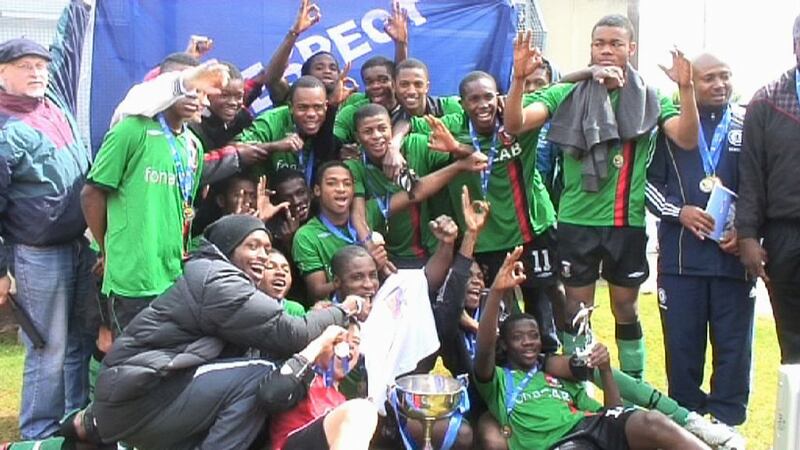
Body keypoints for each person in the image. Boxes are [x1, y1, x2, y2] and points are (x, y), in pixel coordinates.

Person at [63, 214, 367, 449]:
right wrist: (344, 309)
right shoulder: (217, 282)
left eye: (267, 248)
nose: (263, 255)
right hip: (143, 397)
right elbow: (293, 333)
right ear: (228, 249)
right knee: (259, 375)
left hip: (149, 396)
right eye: (252, 246)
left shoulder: (222, 280)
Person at [504, 18, 699, 380]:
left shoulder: (648, 96)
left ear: (631, 49)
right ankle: (582, 386)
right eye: (599, 43)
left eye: (615, 43)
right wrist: (518, 80)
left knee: (626, 308)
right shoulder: (567, 92)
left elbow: (685, 139)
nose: (606, 50)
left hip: (627, 222)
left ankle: (634, 389)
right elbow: (516, 123)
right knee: (579, 311)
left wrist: (686, 89)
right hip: (577, 222)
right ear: (591, 48)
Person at [473, 247, 709, 450]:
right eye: (518, 337)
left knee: (652, 422)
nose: (528, 342)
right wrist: (496, 291)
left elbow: (612, 412)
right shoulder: (498, 382)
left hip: (592, 427)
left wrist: (605, 370)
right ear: (504, 343)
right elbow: (484, 349)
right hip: (559, 444)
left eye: (533, 336)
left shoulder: (555, 375)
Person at [406, 70, 562, 355]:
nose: (483, 105)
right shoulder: (453, 123)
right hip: (486, 242)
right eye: (474, 99)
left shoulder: (517, 116)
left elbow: (560, 88)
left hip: (530, 233)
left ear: (499, 97)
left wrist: (590, 71)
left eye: (488, 96)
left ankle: (552, 372)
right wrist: (395, 147)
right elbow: (408, 121)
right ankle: (500, 376)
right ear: (462, 103)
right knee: (497, 313)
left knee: (543, 308)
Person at [0, 0, 94, 439]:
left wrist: (80, 6)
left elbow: (69, 46)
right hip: (37, 255)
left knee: (78, 341)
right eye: (24, 65)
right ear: (3, 73)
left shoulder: (54, 98)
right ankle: (38, 433)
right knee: (48, 348)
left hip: (78, 244)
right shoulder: (4, 129)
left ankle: (73, 422)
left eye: (40, 64)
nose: (37, 72)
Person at [646, 53, 754, 427]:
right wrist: (680, 211)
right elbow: (646, 184)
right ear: (693, 81)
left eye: (725, 76)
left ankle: (727, 425)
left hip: (733, 261)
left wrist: (745, 229)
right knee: (682, 350)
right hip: (680, 263)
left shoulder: (747, 123)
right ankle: (687, 422)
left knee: (734, 350)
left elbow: (761, 185)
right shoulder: (671, 127)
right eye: (709, 78)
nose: (720, 84)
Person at [80, 69, 228, 336]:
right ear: (166, 89)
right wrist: (107, 249)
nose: (200, 100)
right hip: (133, 273)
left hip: (172, 272)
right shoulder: (131, 130)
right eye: (192, 90)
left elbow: (184, 206)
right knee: (128, 360)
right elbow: (91, 194)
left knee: (160, 360)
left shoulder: (193, 144)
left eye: (204, 93)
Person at [347, 103, 487, 267]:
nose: (377, 136)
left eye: (382, 128)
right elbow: (359, 216)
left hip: (433, 248)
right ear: (357, 137)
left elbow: (479, 158)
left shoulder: (416, 144)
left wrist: (456, 148)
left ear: (391, 129)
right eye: (368, 131)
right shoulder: (354, 167)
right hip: (391, 256)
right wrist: (371, 249)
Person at [736, 14, 800, 365]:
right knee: (792, 340)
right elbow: (752, 174)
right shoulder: (767, 101)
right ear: (795, 46)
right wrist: (747, 235)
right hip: (785, 234)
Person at [264, 323, 378, 450]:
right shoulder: (302, 378)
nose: (348, 346)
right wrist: (320, 342)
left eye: (356, 342)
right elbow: (270, 394)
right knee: (362, 411)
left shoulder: (343, 403)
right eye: (339, 339)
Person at [237, 75, 334, 184]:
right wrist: (275, 146)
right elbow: (235, 150)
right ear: (291, 106)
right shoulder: (271, 121)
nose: (311, 114)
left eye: (317, 107)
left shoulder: (331, 121)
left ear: (326, 106)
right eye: (303, 107)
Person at [261, 248, 307, 317]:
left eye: (286, 270)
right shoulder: (245, 308)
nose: (281, 272)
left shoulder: (295, 310)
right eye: (270, 267)